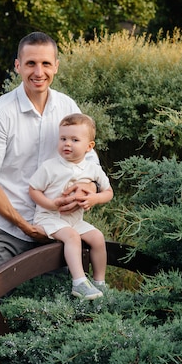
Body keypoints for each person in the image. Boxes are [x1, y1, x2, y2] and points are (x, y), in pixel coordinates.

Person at [0, 31, 99, 364]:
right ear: (17, 66)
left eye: (46, 63)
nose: (38, 71)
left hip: (53, 229)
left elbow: (85, 164)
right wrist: (25, 225)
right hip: (3, 231)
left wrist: (86, 192)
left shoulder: (66, 106)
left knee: (55, 321)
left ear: (56, 67)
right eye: (30, 63)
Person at [29, 113, 113, 300]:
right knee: (72, 237)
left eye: (75, 140)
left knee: (97, 237)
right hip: (49, 219)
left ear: (89, 147)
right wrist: (51, 204)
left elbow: (108, 192)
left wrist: (94, 199)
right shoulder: (49, 167)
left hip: (74, 221)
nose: (67, 144)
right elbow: (33, 190)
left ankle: (99, 282)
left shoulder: (93, 169)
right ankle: (79, 282)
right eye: (63, 139)